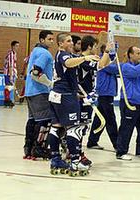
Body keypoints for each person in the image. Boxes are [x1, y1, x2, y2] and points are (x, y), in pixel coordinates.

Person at [48, 33, 111, 176]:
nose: (73, 43)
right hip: (66, 96)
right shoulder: (64, 55)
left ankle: (56, 159)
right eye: (69, 41)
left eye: (72, 41)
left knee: (56, 127)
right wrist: (85, 57)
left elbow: (101, 64)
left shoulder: (70, 56)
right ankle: (76, 162)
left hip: (58, 94)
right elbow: (68, 63)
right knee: (74, 129)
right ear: (60, 44)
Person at [23, 30, 54, 160]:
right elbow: (35, 73)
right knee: (43, 120)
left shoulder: (35, 51)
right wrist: (49, 83)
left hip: (30, 91)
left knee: (32, 120)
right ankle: (38, 148)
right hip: (39, 91)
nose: (51, 41)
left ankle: (28, 148)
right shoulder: (45, 54)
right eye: (49, 39)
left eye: (52, 39)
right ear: (42, 40)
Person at [87, 44, 119, 151]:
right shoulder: (102, 60)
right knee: (110, 119)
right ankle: (117, 143)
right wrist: (118, 60)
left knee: (100, 118)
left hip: (107, 92)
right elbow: (115, 69)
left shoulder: (109, 59)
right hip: (105, 92)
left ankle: (92, 141)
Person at [3, 40, 19, 107]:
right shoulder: (11, 54)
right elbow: (10, 65)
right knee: (8, 87)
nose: (17, 47)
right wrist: (11, 75)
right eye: (16, 46)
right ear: (13, 46)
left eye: (18, 46)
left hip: (12, 72)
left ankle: (7, 100)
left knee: (9, 87)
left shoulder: (14, 53)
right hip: (9, 73)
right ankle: (7, 101)